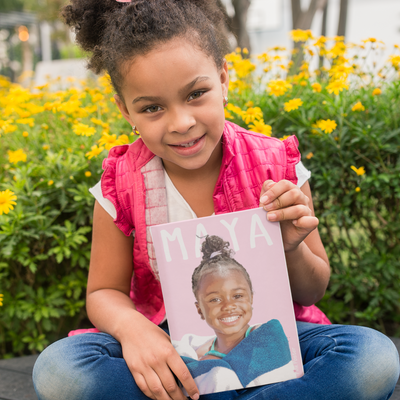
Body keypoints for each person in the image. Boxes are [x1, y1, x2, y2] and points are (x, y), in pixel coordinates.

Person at [32, 0, 399, 399]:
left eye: (196, 94)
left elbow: (312, 291)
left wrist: (290, 247)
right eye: (152, 107)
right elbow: (104, 292)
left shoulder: (276, 163)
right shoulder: (121, 182)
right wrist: (134, 331)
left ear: (223, 80)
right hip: (170, 351)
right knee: (60, 370)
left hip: (273, 344)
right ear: (125, 109)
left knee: (372, 357)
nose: (181, 122)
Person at [171, 235, 296, 394]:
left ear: (251, 298)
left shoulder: (264, 336)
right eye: (215, 299)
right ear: (200, 309)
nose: (229, 306)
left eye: (237, 296)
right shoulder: (200, 353)